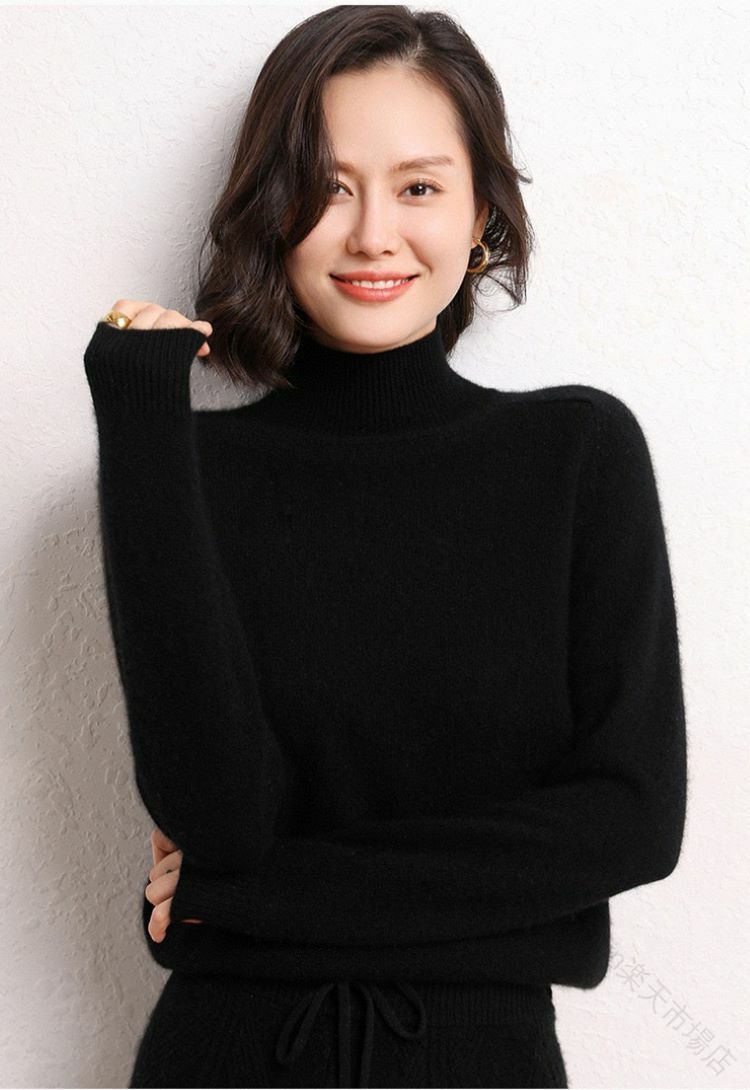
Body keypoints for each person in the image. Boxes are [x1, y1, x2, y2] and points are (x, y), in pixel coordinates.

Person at [82, 6, 687, 1088]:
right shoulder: (194, 469)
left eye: (417, 187)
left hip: (483, 1059)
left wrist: (252, 900)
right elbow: (216, 817)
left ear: (480, 214)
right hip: (225, 1056)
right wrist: (139, 425)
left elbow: (628, 821)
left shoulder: (575, 454)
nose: (370, 235)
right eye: (327, 186)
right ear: (273, 209)